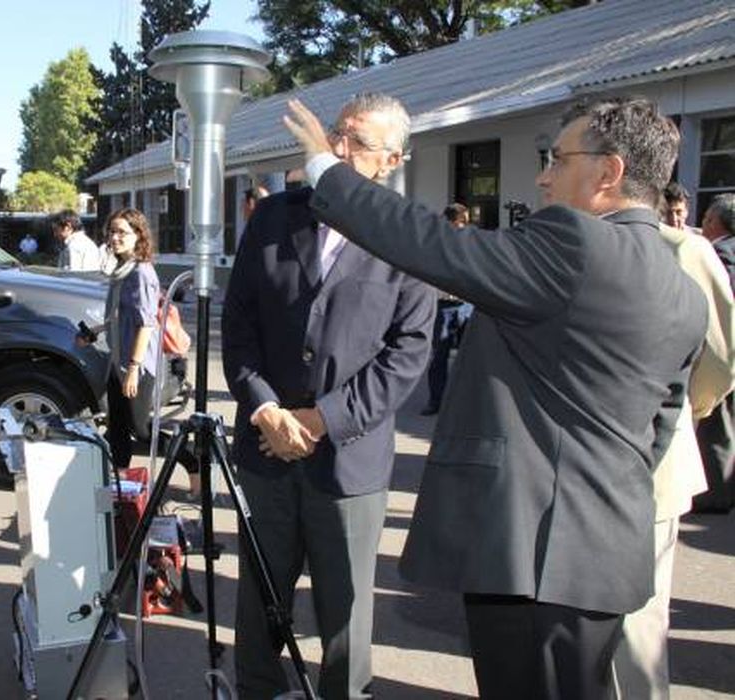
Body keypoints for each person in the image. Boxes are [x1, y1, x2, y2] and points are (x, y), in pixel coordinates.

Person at [283, 95, 707, 699]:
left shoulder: (573, 243)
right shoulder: (683, 287)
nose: (543, 177)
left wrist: (328, 170)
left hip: (533, 556)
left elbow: (438, 247)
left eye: (557, 159)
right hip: (606, 552)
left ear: (609, 172)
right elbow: (659, 426)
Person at [222, 93, 436, 700]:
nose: (338, 149)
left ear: (392, 160)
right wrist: (265, 408)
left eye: (357, 142)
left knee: (346, 617)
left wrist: (321, 420)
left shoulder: (409, 235)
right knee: (259, 602)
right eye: (337, 133)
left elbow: (408, 353)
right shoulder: (273, 217)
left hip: (349, 460)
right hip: (266, 449)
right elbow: (238, 325)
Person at [612, 218, 734, 699]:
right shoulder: (558, 238)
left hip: (650, 460)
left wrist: (687, 409)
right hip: (570, 466)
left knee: (635, 620)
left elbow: (720, 354)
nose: (544, 181)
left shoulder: (682, 249)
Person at [75, 208, 198, 490]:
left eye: (122, 232)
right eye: (112, 231)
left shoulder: (141, 273)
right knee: (117, 428)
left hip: (137, 366)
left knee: (141, 430)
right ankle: (120, 488)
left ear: (138, 236)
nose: (115, 237)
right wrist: (94, 333)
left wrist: (133, 368)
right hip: (118, 363)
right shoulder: (123, 270)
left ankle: (191, 461)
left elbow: (146, 324)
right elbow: (121, 317)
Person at [693, 193, 735, 513]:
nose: (702, 224)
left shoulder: (719, 256)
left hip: (722, 348)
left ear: (715, 222)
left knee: (716, 423)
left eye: (706, 219)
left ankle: (715, 493)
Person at [421, 202, 474, 416]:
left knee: (469, 357)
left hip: (466, 306)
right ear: (451, 222)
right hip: (444, 306)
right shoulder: (435, 245)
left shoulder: (469, 243)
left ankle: (465, 403)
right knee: (439, 356)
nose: (466, 225)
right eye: (463, 221)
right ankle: (436, 401)